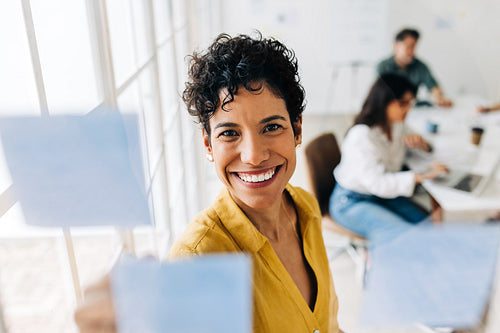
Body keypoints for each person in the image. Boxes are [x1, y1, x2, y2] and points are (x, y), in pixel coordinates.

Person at [74, 32, 341, 333]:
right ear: (208, 145)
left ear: (297, 130)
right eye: (229, 133)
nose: (253, 156)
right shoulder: (197, 260)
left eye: (271, 127)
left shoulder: (305, 205)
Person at [329, 73, 448, 245]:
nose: (408, 108)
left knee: (426, 224)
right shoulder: (361, 136)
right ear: (384, 101)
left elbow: (421, 143)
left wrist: (422, 144)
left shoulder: (397, 124)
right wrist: (419, 176)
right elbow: (378, 183)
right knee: (403, 236)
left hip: (381, 195)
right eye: (402, 103)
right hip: (351, 201)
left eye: (409, 103)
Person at [377, 28, 453, 108]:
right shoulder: (383, 67)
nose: (412, 52)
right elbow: (380, 95)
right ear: (396, 45)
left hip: (411, 111)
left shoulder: (420, 66)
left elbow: (434, 88)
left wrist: (440, 98)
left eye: (414, 47)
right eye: (409, 47)